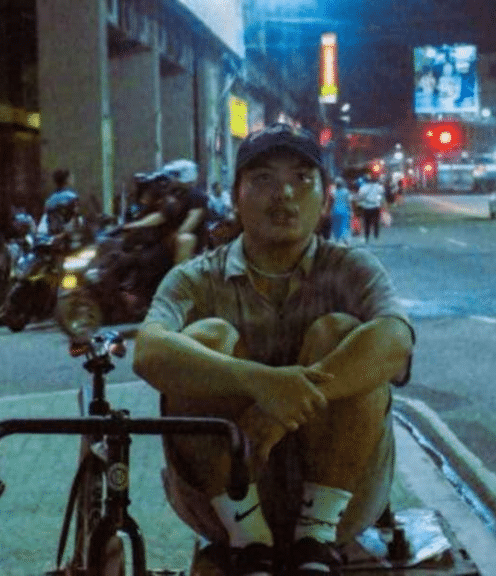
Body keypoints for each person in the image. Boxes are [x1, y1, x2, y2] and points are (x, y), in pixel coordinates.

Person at [133, 123, 414, 576]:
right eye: (263, 178)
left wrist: (278, 412)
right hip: (219, 502)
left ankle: (315, 535)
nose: (284, 193)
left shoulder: (352, 269)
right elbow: (148, 351)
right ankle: (249, 537)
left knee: (341, 333)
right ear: (236, 196)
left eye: (302, 179)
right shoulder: (194, 278)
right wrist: (262, 383)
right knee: (208, 338)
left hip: (346, 505)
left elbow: (396, 342)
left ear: (325, 199)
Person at [356, 174, 386, 243]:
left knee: (367, 224)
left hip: (366, 208)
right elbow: (382, 194)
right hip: (376, 207)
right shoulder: (378, 187)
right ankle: (376, 237)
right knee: (376, 223)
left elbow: (359, 197)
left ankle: (367, 238)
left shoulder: (363, 188)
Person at [330, 177, 352, 244]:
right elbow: (348, 202)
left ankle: (336, 239)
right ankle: (345, 239)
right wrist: (351, 210)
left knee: (336, 225)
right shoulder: (346, 192)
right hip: (344, 210)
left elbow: (331, 201)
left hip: (335, 210)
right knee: (344, 224)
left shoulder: (333, 192)